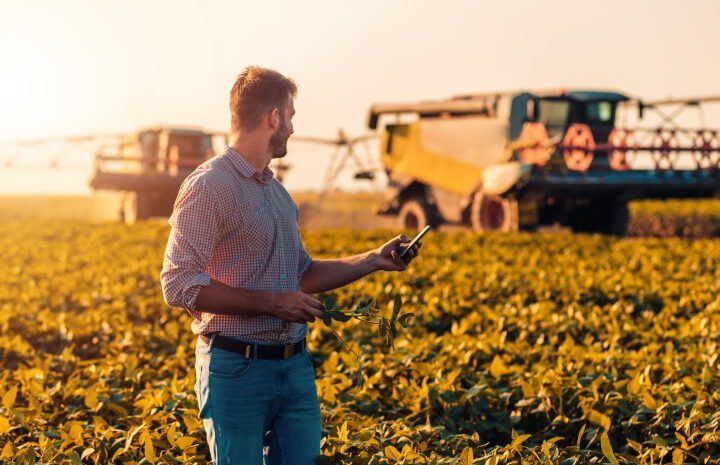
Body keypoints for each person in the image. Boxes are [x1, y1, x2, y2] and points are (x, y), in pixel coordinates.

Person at [160, 66, 421, 465]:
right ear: (274, 117)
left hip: (294, 365)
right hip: (236, 368)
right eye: (292, 116)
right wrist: (274, 304)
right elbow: (178, 284)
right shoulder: (208, 186)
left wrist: (372, 260)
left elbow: (301, 274)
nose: (294, 128)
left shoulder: (278, 193)